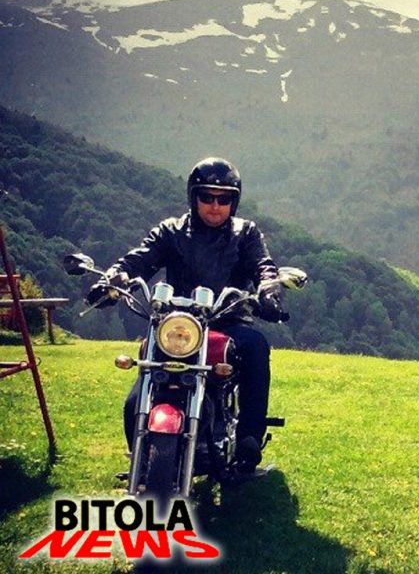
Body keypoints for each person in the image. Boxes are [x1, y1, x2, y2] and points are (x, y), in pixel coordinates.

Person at [87, 157, 286, 472]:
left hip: (227, 321)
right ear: (194, 197)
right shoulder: (171, 231)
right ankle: (144, 458)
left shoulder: (246, 233)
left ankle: (249, 436)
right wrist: (112, 280)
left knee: (255, 346)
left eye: (224, 198)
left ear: (234, 202)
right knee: (135, 399)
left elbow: (263, 266)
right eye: (207, 196)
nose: (215, 205)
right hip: (177, 326)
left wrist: (269, 291)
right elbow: (139, 259)